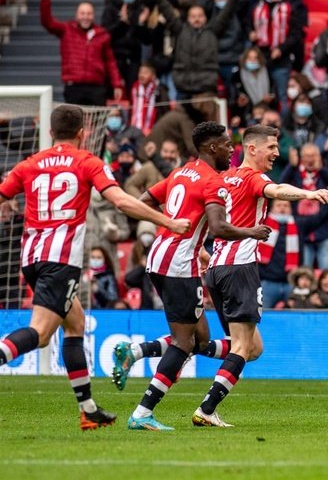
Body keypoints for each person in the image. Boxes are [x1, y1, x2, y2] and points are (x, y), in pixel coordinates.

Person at [0, 105, 190, 429]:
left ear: (50, 132)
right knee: (42, 334)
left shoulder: (29, 164)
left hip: (31, 256)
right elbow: (122, 201)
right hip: (60, 260)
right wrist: (167, 221)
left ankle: (88, 411)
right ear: (82, 133)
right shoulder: (88, 162)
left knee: (75, 323)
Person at [116, 121, 272, 431]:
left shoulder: (180, 173)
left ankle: (139, 351)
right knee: (184, 343)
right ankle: (143, 412)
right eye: (228, 145)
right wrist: (251, 231)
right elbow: (218, 228)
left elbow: (141, 202)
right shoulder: (213, 181)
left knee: (199, 340)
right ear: (212, 147)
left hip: (159, 256)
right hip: (178, 264)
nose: (232, 150)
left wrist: (171, 227)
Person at [193, 124, 328, 427]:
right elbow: (277, 190)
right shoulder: (253, 177)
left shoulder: (221, 179)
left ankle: (183, 347)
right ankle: (206, 409)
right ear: (251, 148)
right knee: (243, 347)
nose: (276, 153)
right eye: (271, 147)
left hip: (216, 269)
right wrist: (310, 192)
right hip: (240, 267)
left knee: (251, 347)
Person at [40, 0, 125, 105]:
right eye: (82, 13)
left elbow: (110, 62)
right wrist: (45, 1)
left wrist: (117, 84)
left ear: (93, 16)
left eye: (89, 14)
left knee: (97, 122)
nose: (85, 17)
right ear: (76, 15)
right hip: (74, 86)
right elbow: (47, 22)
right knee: (74, 122)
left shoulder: (102, 35)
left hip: (97, 87)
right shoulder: (67, 29)